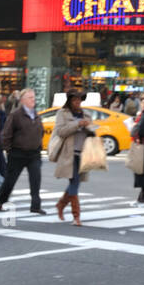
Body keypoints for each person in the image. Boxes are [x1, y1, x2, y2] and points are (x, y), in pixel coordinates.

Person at [0, 87, 45, 214]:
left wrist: (38, 147)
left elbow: (40, 131)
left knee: (36, 179)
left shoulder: (36, 114)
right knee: (10, 180)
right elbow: (6, 134)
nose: (33, 100)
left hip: (34, 154)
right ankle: (1, 201)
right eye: (30, 97)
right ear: (22, 100)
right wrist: (9, 150)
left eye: (34, 97)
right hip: (17, 153)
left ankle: (35, 206)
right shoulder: (16, 115)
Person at [50, 89, 96, 226]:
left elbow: (92, 132)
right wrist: (77, 124)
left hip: (83, 154)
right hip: (69, 153)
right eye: (75, 100)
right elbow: (60, 132)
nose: (78, 102)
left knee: (75, 183)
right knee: (74, 182)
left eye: (79, 100)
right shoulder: (62, 113)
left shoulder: (86, 114)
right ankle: (76, 216)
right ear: (69, 101)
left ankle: (61, 204)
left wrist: (89, 128)